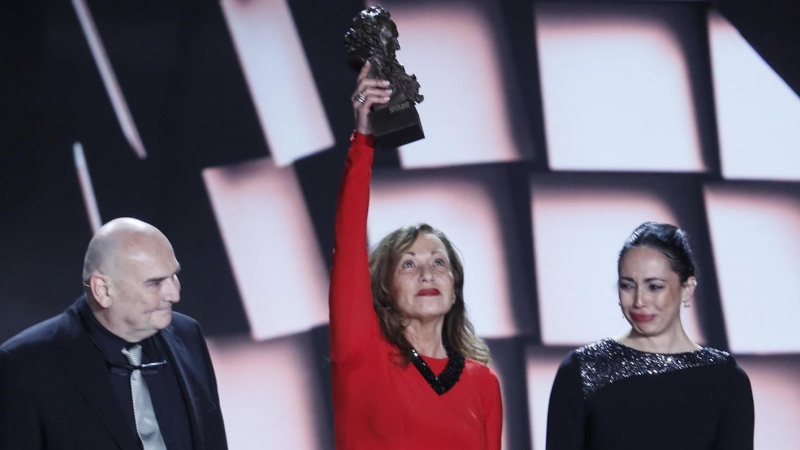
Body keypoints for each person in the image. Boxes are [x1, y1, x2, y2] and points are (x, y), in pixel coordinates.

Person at [328, 62, 503, 449]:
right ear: (385, 288)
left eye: (439, 263)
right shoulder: (361, 354)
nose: (427, 273)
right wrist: (364, 140)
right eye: (408, 264)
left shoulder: (484, 383)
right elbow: (349, 241)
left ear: (455, 288)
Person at [0, 218, 227, 450]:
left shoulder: (188, 335)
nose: (174, 294)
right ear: (103, 290)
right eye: (155, 283)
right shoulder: (25, 365)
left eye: (174, 276)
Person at [545, 222, 755, 450]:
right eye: (627, 286)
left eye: (654, 287)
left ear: (687, 288)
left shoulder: (726, 379)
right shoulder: (580, 370)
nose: (638, 301)